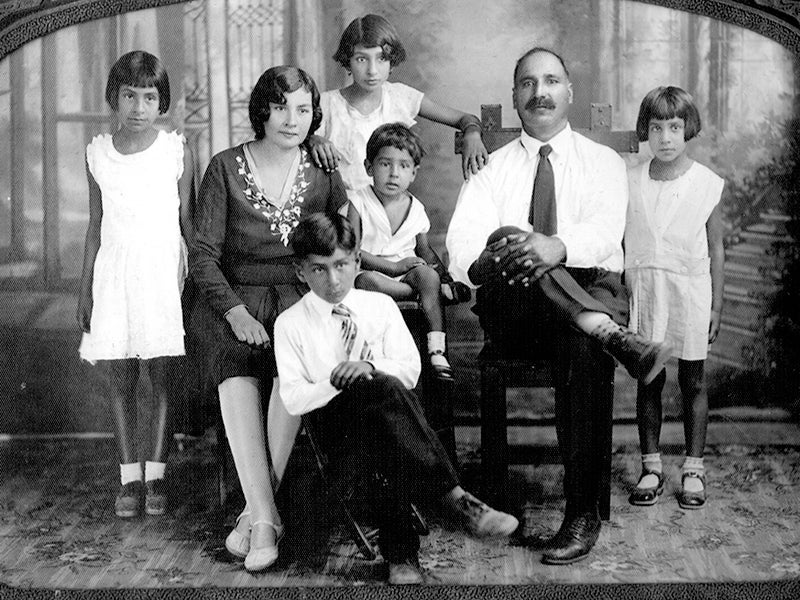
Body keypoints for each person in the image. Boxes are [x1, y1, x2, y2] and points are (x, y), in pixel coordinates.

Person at [446, 47, 673, 565]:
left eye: (551, 81)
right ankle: (612, 334)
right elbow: (460, 251)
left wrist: (556, 247)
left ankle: (580, 514)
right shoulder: (492, 168)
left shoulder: (603, 162)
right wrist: (511, 253)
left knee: (580, 342)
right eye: (527, 83)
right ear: (515, 96)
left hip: (590, 283)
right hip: (514, 308)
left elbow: (603, 236)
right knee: (511, 238)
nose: (539, 92)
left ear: (569, 91)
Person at [273, 213, 519, 585]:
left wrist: (367, 366)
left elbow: (409, 369)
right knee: (384, 405)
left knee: (383, 408)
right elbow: (292, 398)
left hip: (382, 424)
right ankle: (452, 501)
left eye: (341, 265)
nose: (334, 279)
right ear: (300, 272)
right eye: (319, 270)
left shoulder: (380, 307)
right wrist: (337, 381)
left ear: (357, 262)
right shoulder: (290, 323)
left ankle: (403, 557)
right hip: (335, 436)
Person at [188, 66, 349, 572]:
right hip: (233, 295)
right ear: (262, 110)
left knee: (293, 357)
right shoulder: (225, 167)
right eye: (281, 107)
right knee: (236, 358)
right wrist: (234, 311)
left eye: (303, 109)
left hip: (299, 295)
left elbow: (344, 242)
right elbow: (203, 255)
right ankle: (265, 515)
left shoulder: (322, 169)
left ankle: (257, 519)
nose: (291, 119)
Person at [76, 50, 194, 519]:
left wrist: (193, 284)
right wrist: (85, 289)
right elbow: (94, 224)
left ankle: (157, 473)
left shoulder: (177, 150)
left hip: (163, 273)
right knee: (122, 381)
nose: (139, 107)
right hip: (115, 274)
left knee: (161, 379)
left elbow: (186, 222)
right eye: (130, 95)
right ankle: (129, 479)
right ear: (114, 99)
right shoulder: (97, 153)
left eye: (150, 96)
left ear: (161, 102)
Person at [625, 86, 725, 510]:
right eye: (656, 127)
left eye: (674, 127)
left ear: (688, 129)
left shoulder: (706, 183)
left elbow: (715, 245)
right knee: (649, 378)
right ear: (645, 132)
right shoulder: (630, 178)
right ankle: (652, 465)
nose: (665, 137)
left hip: (690, 289)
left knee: (692, 380)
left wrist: (717, 305)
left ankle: (693, 468)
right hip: (647, 289)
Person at [308, 13, 488, 189]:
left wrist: (472, 133)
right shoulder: (326, 104)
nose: (372, 70)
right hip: (341, 212)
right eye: (361, 59)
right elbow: (291, 142)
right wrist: (312, 139)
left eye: (381, 59)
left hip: (389, 208)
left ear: (391, 62)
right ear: (348, 62)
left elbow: (465, 119)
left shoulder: (400, 97)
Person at [349, 123, 470, 381]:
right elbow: (351, 251)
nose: (394, 173)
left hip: (408, 277)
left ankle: (436, 349)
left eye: (403, 166)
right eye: (385, 164)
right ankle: (428, 292)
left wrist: (444, 277)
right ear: (368, 167)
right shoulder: (358, 203)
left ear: (414, 173)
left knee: (428, 276)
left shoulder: (416, 208)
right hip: (372, 275)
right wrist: (393, 267)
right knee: (366, 281)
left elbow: (424, 251)